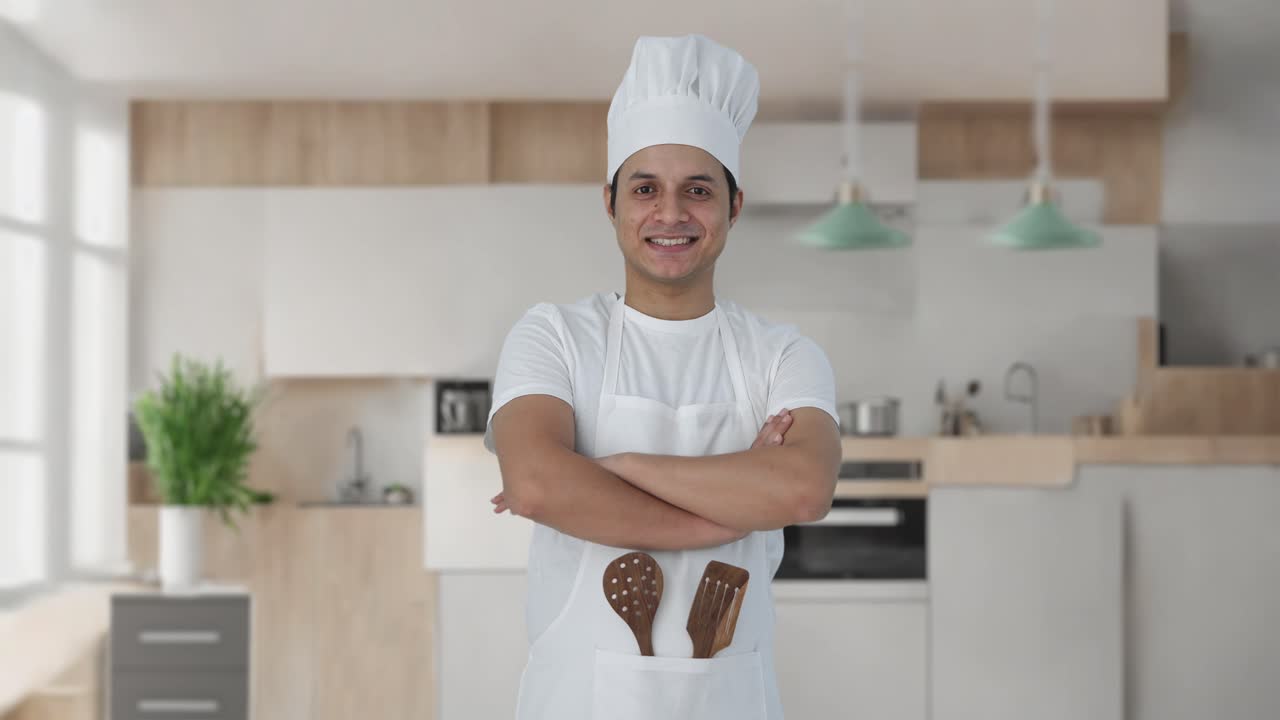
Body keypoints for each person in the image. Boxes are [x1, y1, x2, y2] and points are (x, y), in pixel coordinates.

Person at [484, 33, 842, 720]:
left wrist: (612, 466)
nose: (671, 214)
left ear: (734, 207)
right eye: (646, 188)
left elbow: (801, 490)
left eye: (698, 191)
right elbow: (533, 484)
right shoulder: (553, 336)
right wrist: (729, 510)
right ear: (611, 203)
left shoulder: (782, 355)